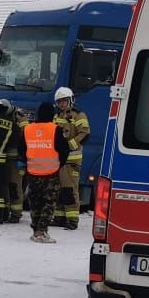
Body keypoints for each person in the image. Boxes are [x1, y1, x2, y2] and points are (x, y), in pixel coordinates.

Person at [21, 101, 64, 242]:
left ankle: (35, 230)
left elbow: (21, 150)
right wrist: (59, 163)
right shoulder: (55, 129)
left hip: (32, 173)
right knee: (49, 202)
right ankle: (41, 231)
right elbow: (64, 150)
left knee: (35, 202)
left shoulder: (28, 129)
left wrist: (29, 162)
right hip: (51, 173)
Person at [52, 87, 90, 230]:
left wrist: (70, 145)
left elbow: (85, 133)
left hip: (72, 159)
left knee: (69, 189)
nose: (62, 104)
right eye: (59, 102)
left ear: (71, 100)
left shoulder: (78, 115)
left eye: (64, 101)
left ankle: (72, 220)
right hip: (58, 159)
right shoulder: (56, 116)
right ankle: (59, 217)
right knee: (58, 189)